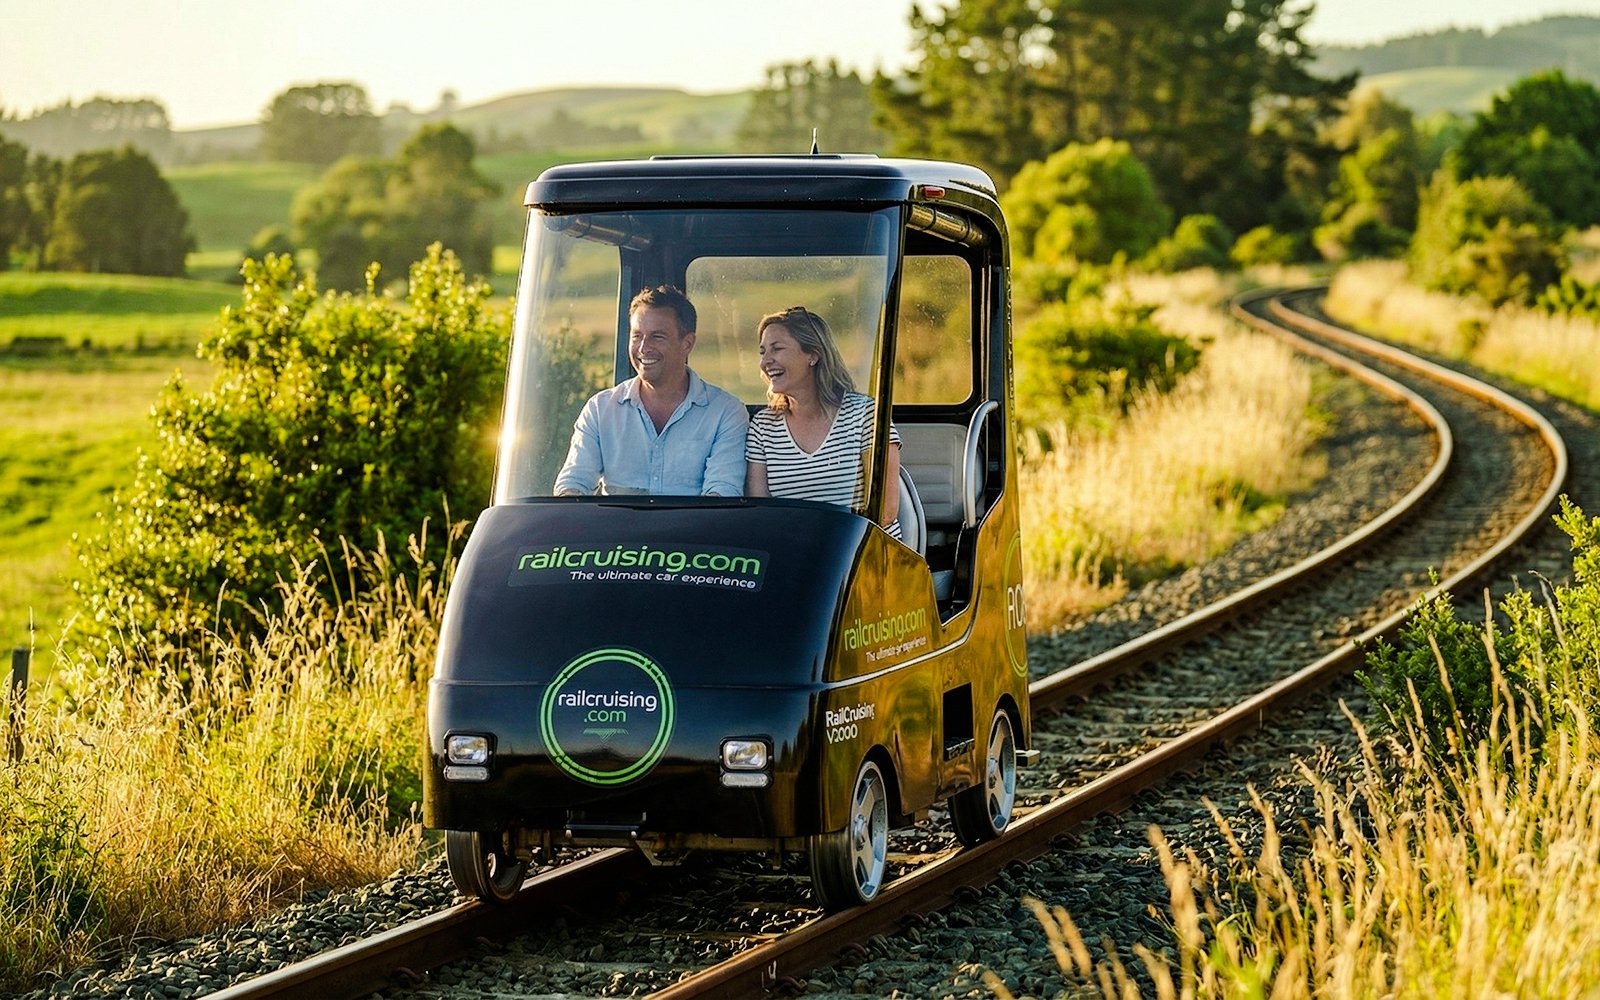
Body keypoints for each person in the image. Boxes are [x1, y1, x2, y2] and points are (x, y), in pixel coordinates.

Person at [554, 285, 748, 496]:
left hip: (693, 529)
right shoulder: (600, 409)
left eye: (657, 337)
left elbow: (722, 494)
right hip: (614, 528)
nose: (644, 348)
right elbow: (573, 481)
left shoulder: (725, 412)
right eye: (637, 336)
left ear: (688, 343)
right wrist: (570, 499)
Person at [744, 306, 901, 536]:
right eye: (762, 352)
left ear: (813, 355)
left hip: (864, 553)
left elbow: (885, 512)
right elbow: (762, 513)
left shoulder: (866, 414)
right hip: (797, 553)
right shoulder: (763, 426)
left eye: (776, 349)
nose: (765, 362)